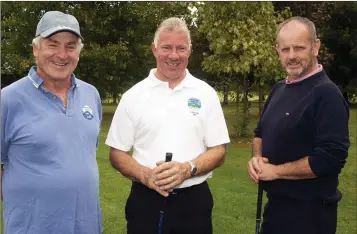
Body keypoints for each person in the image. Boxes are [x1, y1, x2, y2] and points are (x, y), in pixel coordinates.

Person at [105, 17, 230, 234]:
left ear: (189, 50)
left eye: (181, 48)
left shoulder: (206, 94)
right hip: (146, 200)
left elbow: (218, 150)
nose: (174, 55)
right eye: (166, 47)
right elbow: (117, 153)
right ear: (154, 49)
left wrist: (187, 169)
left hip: (194, 202)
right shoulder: (133, 96)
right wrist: (146, 175)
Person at [1, 11, 103, 234]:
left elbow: (83, 156)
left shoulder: (91, 95)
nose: (62, 54)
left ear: (79, 51)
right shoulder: (7, 100)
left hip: (86, 226)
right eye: (53, 44)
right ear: (36, 48)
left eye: (70, 46)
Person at [248, 16, 350, 234]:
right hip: (276, 209)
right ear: (277, 50)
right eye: (285, 49)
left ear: (315, 47)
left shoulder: (327, 94)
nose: (291, 56)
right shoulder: (278, 89)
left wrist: (275, 171)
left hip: (310, 216)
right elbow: (260, 133)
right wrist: (257, 159)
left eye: (299, 48)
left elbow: (329, 159)